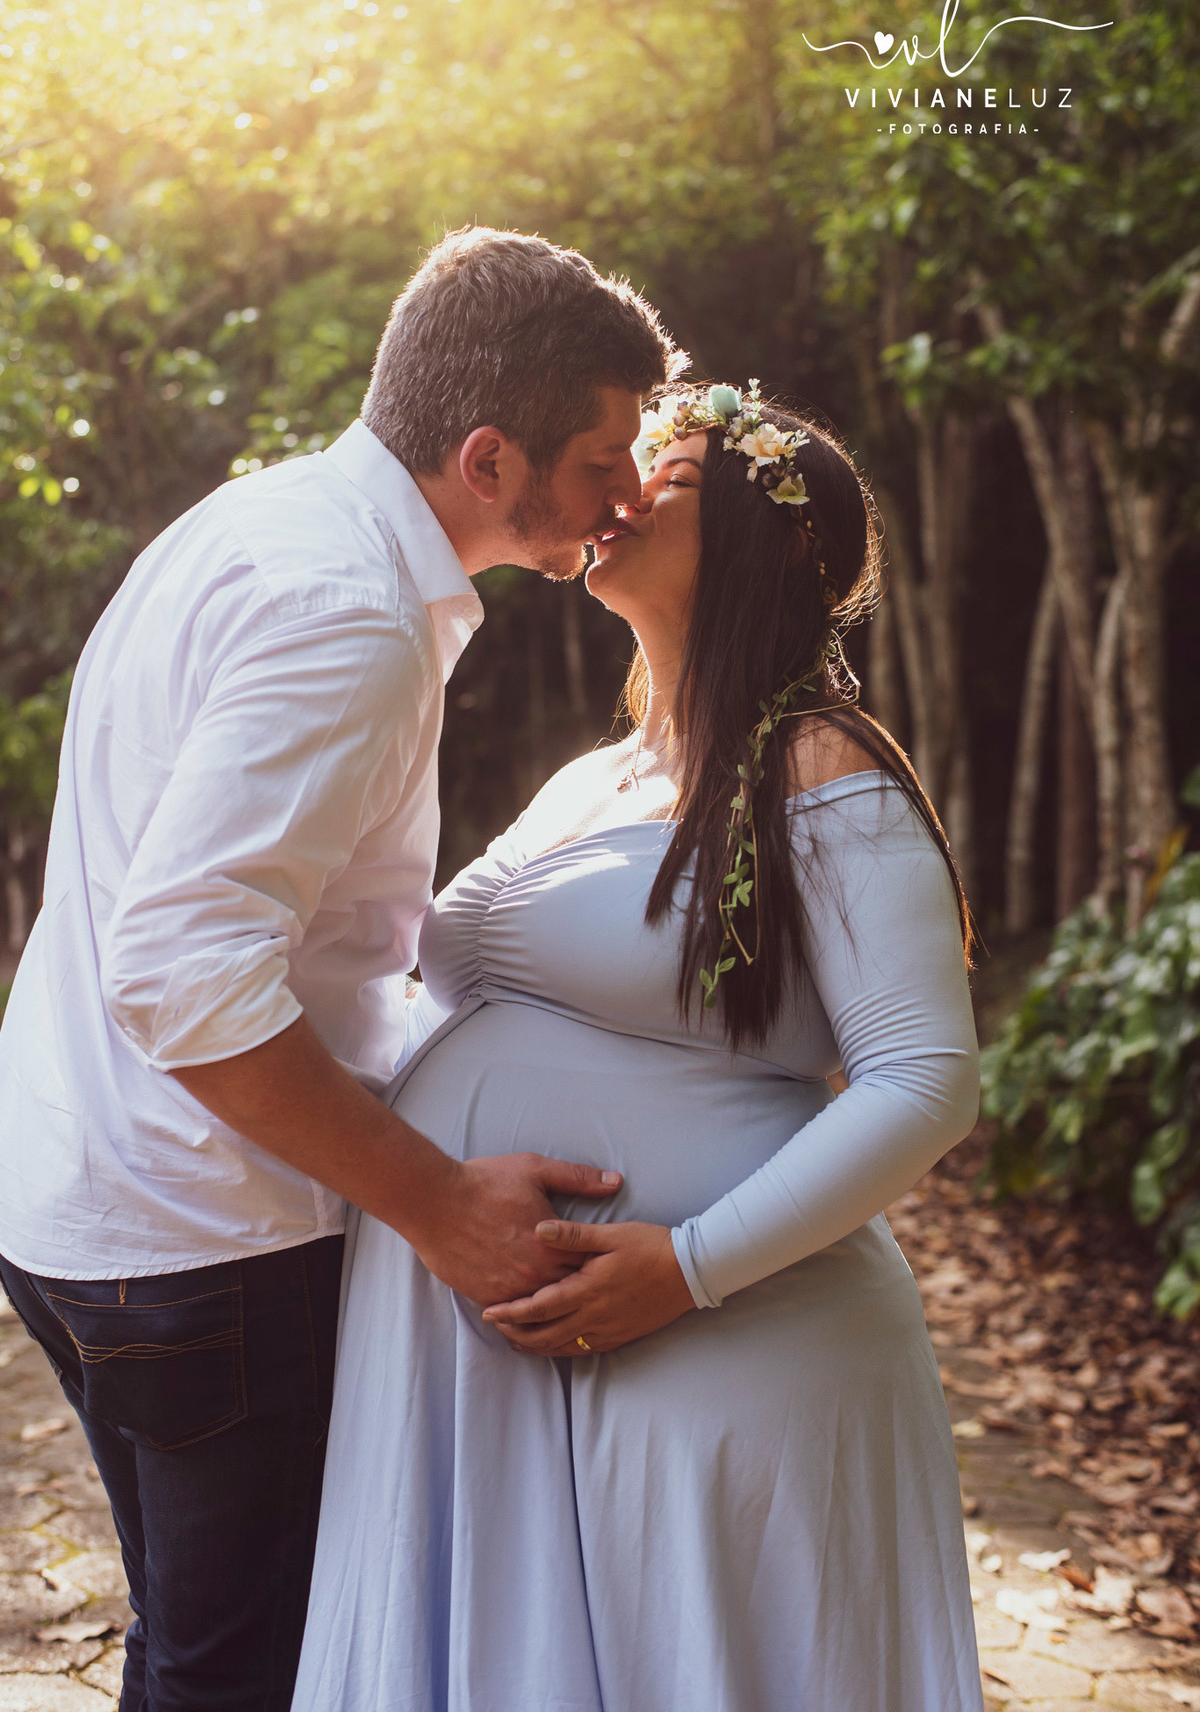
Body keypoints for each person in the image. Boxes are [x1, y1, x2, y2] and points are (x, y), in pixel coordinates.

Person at [0, 226, 682, 1711]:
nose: (624, 498)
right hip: (202, 1242)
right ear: (489, 457)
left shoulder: (273, 528)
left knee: (200, 1642)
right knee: (244, 1668)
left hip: (99, 1196)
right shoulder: (348, 613)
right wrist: (441, 1206)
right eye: (601, 459)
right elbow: (183, 969)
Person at [291, 383, 985, 1712]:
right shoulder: (599, 772)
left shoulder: (823, 762)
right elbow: (427, 965)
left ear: (770, 540)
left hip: (717, 1345)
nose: (609, 498)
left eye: (658, 476)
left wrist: (688, 1265)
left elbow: (925, 1079)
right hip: (513, 1359)